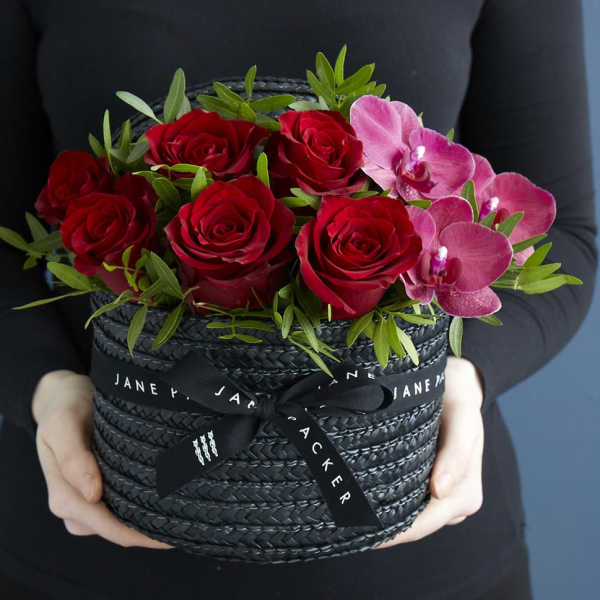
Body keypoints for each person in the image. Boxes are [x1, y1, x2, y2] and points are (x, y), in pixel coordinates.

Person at [0, 1, 596, 598]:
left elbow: (563, 233)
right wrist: (43, 386)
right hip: (89, 526)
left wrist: (463, 375)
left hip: (419, 538)